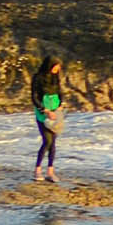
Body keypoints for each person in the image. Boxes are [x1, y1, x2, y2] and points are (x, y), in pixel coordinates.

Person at [29, 54, 65, 185]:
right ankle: (37, 170)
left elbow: (60, 92)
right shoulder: (38, 77)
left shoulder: (55, 77)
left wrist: (61, 105)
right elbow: (34, 97)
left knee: (53, 142)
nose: (58, 69)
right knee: (47, 141)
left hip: (56, 111)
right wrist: (45, 110)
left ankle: (50, 171)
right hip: (43, 112)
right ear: (50, 65)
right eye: (56, 67)